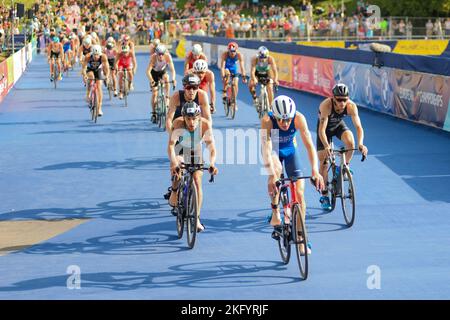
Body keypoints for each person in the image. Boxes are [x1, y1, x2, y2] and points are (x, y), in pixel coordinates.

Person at [261, 95, 324, 255]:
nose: (285, 123)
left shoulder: (299, 118)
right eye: (281, 120)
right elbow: (266, 148)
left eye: (287, 119)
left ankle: (302, 238)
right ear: (274, 116)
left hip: (290, 151)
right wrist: (270, 174)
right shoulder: (267, 121)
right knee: (275, 172)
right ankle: (275, 211)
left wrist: (315, 171)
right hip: (274, 150)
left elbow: (310, 146)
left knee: (300, 194)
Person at [167, 101, 218, 232]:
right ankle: (174, 191)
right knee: (178, 167)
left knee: (197, 181)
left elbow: (211, 147)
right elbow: (171, 146)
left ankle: (197, 218)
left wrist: (212, 163)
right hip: (181, 149)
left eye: (194, 119)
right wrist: (174, 162)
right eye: (188, 119)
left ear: (199, 118)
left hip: (195, 151)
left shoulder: (205, 125)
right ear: (184, 117)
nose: (191, 123)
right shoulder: (177, 123)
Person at [316, 83, 368, 210]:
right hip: (324, 131)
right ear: (333, 98)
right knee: (324, 162)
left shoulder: (351, 106)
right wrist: (327, 146)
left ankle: (344, 167)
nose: (342, 103)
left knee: (351, 142)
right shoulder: (326, 105)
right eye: (339, 99)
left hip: (338, 125)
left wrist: (361, 143)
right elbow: (322, 130)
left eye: (344, 99)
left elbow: (358, 127)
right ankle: (324, 195)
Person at [146, 44, 177, 123]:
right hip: (154, 73)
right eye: (159, 54)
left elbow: (173, 70)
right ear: (156, 54)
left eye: (162, 54)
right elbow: (148, 71)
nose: (161, 56)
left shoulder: (168, 57)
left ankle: (167, 97)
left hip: (162, 72)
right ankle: (154, 113)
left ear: (164, 53)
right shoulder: (153, 57)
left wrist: (173, 79)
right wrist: (152, 81)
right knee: (154, 94)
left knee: (167, 78)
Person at [81, 45, 110, 117]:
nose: (96, 57)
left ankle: (99, 108)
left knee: (99, 86)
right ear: (92, 54)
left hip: (98, 70)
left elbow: (107, 68)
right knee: (91, 77)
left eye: (97, 55)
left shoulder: (103, 57)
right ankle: (88, 94)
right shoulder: (87, 56)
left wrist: (107, 76)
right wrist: (84, 75)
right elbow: (84, 68)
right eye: (94, 55)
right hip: (90, 69)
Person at [220, 42, 247, 110]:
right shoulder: (225, 54)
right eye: (230, 51)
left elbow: (242, 67)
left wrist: (244, 76)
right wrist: (223, 76)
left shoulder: (239, 55)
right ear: (228, 50)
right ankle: (224, 93)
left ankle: (234, 101)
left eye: (234, 51)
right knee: (227, 75)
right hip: (226, 69)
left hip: (234, 69)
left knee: (235, 84)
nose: (232, 53)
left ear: (236, 50)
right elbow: (222, 67)